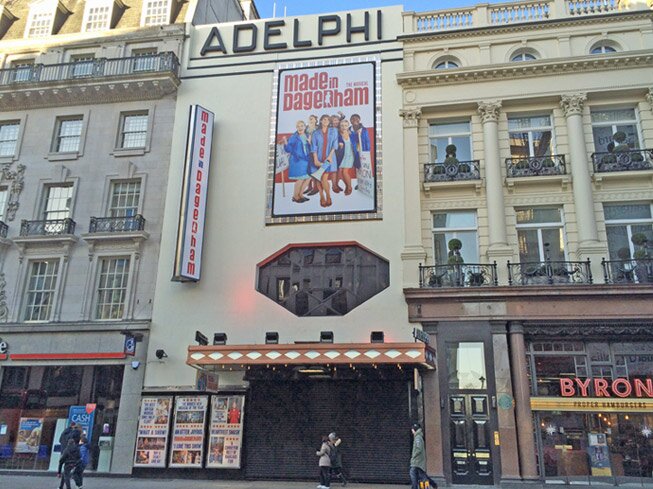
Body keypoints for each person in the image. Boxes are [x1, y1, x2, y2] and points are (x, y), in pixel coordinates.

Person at [310, 114, 338, 208]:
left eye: (328, 120)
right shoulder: (315, 133)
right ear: (321, 121)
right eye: (324, 119)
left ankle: (328, 196)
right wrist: (315, 160)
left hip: (328, 158)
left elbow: (335, 144)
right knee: (318, 177)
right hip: (318, 158)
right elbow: (313, 147)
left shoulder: (334, 131)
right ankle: (321, 196)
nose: (326, 121)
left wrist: (330, 156)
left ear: (329, 122)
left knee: (324, 178)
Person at [282, 120, 312, 203]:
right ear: (296, 128)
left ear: (304, 127)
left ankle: (300, 194)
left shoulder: (307, 136)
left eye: (302, 126)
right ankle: (295, 196)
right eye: (298, 126)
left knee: (308, 177)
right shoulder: (294, 137)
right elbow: (288, 149)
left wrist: (310, 143)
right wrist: (285, 142)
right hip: (297, 160)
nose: (300, 128)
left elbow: (311, 148)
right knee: (300, 179)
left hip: (306, 160)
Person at [335, 119, 360, 196]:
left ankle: (349, 187)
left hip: (350, 155)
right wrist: (338, 145)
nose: (344, 127)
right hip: (341, 156)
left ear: (348, 126)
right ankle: (346, 185)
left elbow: (358, 142)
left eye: (345, 125)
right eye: (342, 125)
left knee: (345, 172)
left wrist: (358, 149)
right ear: (340, 126)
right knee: (340, 171)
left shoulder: (352, 134)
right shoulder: (338, 135)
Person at [410, 423, 427, 489]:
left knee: (413, 474)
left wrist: (413, 456)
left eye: (412, 429)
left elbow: (418, 449)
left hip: (417, 461)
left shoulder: (417, 438)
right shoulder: (419, 437)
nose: (411, 431)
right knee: (421, 476)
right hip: (419, 461)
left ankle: (415, 487)